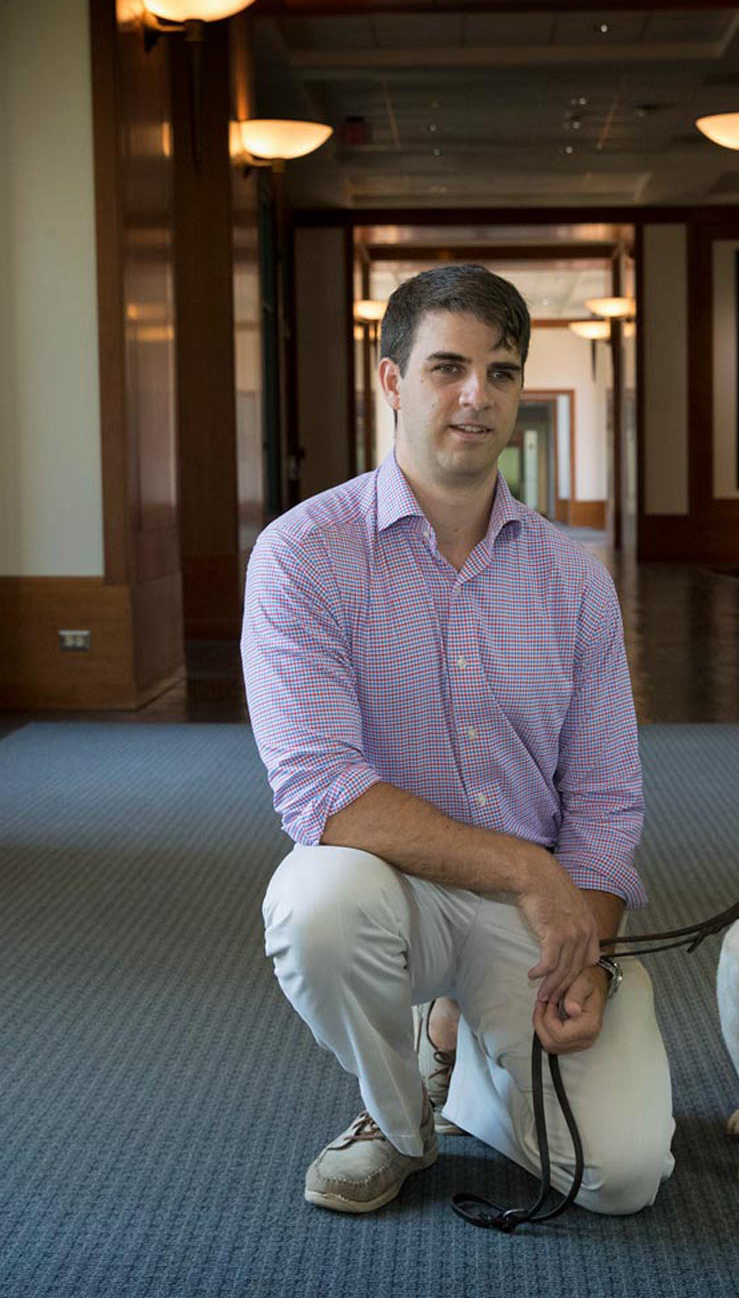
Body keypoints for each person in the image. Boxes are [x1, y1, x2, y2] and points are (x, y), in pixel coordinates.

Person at [243, 264, 675, 1216]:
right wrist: (527, 869)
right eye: (448, 366)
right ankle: (399, 1120)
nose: (478, 395)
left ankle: (465, 1048)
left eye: (503, 371)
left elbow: (606, 802)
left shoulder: (573, 580)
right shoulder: (302, 555)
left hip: (530, 922)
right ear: (392, 380)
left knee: (621, 1179)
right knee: (314, 902)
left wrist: (589, 951)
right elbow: (323, 791)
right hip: (385, 888)